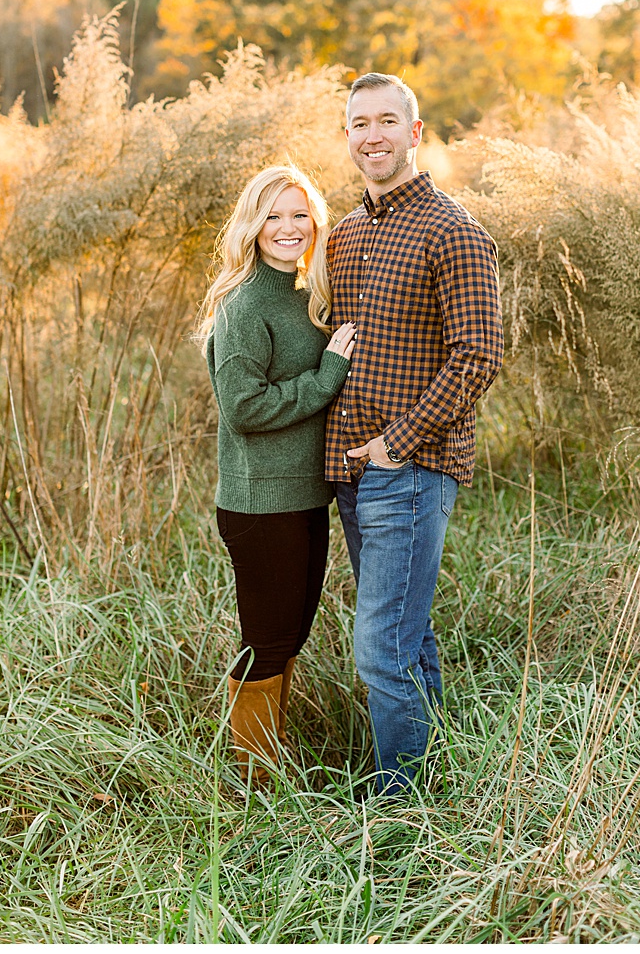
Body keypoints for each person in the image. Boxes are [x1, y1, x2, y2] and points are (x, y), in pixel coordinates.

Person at [325, 71, 502, 796]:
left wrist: (398, 442)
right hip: (350, 473)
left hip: (410, 469)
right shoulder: (343, 234)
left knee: (380, 647)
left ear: (415, 132)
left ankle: (398, 808)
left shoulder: (454, 232)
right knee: (407, 631)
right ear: (348, 137)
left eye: (387, 121)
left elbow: (478, 355)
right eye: (359, 123)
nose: (373, 135)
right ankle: (437, 783)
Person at [198, 164, 357, 782]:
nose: (288, 228)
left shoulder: (305, 294)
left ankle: (268, 761)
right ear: (252, 225)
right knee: (267, 642)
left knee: (287, 639)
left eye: (300, 215)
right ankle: (253, 783)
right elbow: (243, 406)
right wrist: (328, 375)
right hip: (260, 504)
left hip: (302, 497)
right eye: (274, 216)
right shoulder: (246, 304)